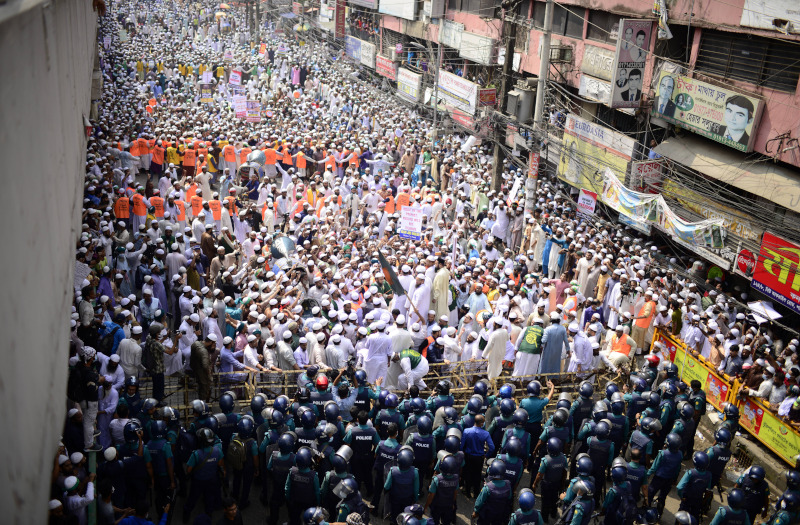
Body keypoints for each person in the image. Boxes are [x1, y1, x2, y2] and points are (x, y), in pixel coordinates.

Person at [462, 414, 495, 498]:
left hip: (468, 456)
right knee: (477, 474)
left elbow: (461, 445)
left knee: (468, 473)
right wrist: (486, 455)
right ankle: (476, 493)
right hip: (479, 458)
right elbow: (492, 447)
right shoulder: (485, 433)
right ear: (481, 423)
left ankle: (467, 491)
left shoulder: (466, 431)